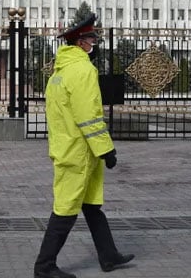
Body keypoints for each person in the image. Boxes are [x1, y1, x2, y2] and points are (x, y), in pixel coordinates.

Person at [34, 14, 134, 278]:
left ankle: (108, 255)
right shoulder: (83, 70)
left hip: (67, 147)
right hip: (80, 151)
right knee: (65, 208)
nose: (95, 42)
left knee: (90, 204)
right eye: (92, 38)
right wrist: (106, 149)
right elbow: (89, 115)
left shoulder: (59, 72)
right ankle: (44, 267)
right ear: (80, 43)